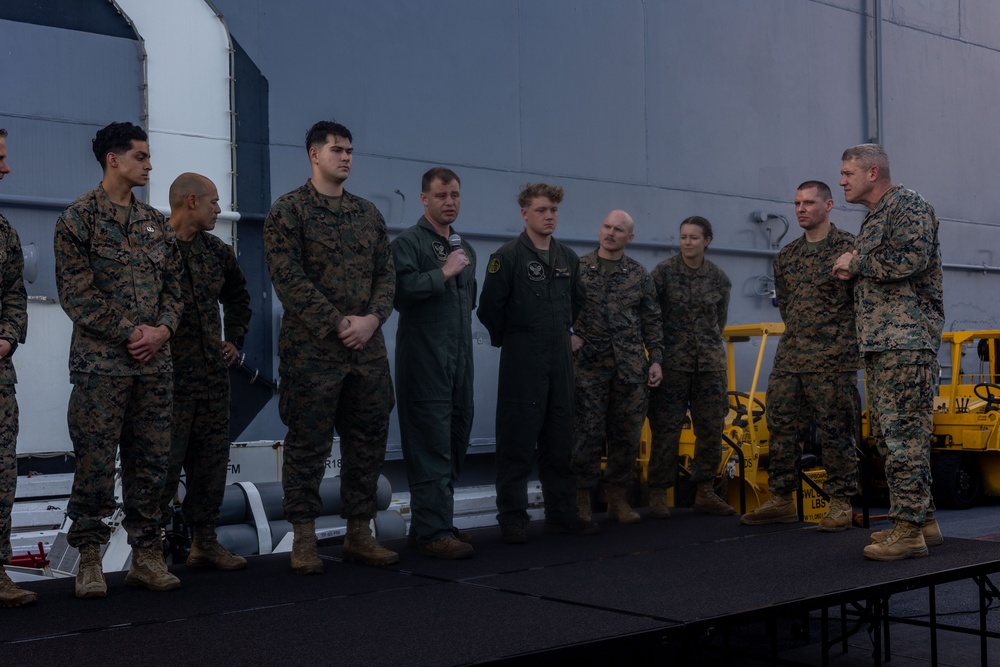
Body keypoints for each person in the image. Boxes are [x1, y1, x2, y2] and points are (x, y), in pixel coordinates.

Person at [55, 122, 183, 597]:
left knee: (151, 463)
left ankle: (147, 556)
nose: (149, 165)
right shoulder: (77, 220)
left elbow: (174, 290)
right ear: (114, 159)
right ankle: (89, 560)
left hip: (154, 367)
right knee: (94, 463)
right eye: (142, 156)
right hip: (101, 369)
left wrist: (163, 329)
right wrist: (132, 331)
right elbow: (76, 294)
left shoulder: (156, 224)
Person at [264, 121, 397, 574]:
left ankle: (360, 533)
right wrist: (338, 323)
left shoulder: (368, 214)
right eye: (337, 150)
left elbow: (387, 274)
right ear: (313, 155)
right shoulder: (289, 212)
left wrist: (372, 319)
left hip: (367, 351)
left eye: (350, 151)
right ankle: (304, 538)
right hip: (313, 353)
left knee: (367, 440)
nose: (346, 157)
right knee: (308, 445)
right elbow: (288, 279)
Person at [833, 144, 944, 561]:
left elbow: (910, 259)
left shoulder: (907, 205)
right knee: (888, 435)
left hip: (906, 341)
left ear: (872, 172)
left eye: (847, 173)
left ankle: (909, 533)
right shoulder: (875, 216)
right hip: (882, 343)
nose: (842, 180)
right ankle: (924, 521)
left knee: (904, 437)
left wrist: (857, 261)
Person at [477, 183, 599, 543]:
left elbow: (577, 303)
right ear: (525, 213)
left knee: (561, 439)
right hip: (522, 355)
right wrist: (512, 339)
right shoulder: (508, 256)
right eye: (543, 210)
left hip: (559, 356)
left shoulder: (568, 258)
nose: (549, 216)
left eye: (554, 210)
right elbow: (489, 309)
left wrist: (564, 335)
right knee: (516, 441)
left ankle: (561, 515)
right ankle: (513, 519)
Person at [741, 181, 860, 530]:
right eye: (796, 203)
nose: (801, 209)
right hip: (792, 355)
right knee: (780, 425)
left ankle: (839, 502)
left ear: (829, 205)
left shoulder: (850, 249)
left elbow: (861, 303)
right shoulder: (787, 256)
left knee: (836, 429)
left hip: (833, 357)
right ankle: (781, 498)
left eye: (809, 202)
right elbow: (789, 307)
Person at [159, 173, 251, 570]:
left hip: (212, 380)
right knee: (161, 466)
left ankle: (204, 542)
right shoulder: (154, 249)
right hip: (166, 382)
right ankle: (148, 549)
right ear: (191, 201)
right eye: (214, 201)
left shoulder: (217, 252)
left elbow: (238, 297)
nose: (219, 208)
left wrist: (235, 338)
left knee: (211, 464)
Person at [391, 168, 476, 559]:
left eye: (455, 195)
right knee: (431, 444)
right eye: (442, 195)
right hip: (425, 361)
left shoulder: (465, 249)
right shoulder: (408, 244)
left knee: (456, 438)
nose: (450, 202)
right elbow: (402, 293)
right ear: (424, 198)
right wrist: (444, 272)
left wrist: (454, 264)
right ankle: (434, 532)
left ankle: (433, 522)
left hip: (459, 363)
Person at [570, 210, 663, 524]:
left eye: (618, 230)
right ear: (600, 230)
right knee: (586, 435)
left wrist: (656, 361)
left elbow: (652, 321)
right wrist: (568, 336)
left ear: (629, 237)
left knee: (626, 436)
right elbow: (559, 309)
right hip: (587, 369)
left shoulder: (639, 275)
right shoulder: (577, 268)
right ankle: (581, 500)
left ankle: (617, 500)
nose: (610, 233)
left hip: (630, 369)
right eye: (607, 227)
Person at [647, 216, 736, 517]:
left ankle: (705, 491)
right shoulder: (663, 274)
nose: (687, 242)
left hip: (710, 366)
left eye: (694, 237)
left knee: (711, 429)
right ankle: (659, 492)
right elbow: (651, 317)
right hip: (672, 365)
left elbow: (718, 322)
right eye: (683, 237)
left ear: (707, 240)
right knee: (666, 429)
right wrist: (656, 356)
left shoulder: (719, 278)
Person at [0, 128, 35, 607]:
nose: (6, 168)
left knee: (1, 477)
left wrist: (7, 335)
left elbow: (13, 293)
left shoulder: (3, 231)